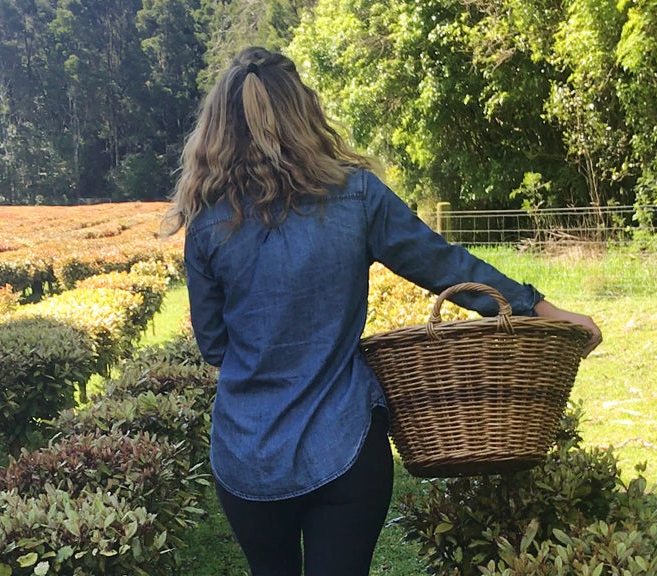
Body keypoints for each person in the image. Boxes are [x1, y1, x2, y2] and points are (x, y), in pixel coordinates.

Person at [164, 46, 602, 576]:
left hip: (247, 457)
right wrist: (541, 309)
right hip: (346, 446)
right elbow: (444, 266)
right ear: (304, 111)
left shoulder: (207, 224)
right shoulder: (355, 196)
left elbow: (214, 346)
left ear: (217, 128)